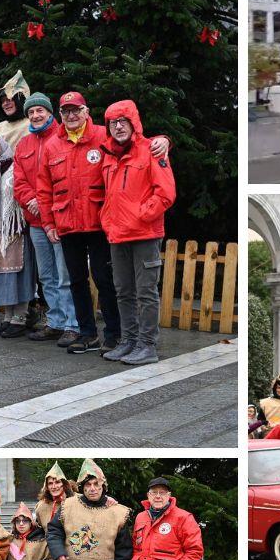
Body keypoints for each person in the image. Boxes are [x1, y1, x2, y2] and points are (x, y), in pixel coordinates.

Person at [35, 93, 170, 354]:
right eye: (66, 111)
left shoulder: (103, 137)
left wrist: (164, 140)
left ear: (86, 112)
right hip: (68, 223)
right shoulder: (52, 145)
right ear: (60, 115)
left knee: (105, 279)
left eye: (76, 110)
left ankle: (115, 334)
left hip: (100, 224)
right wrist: (48, 223)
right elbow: (44, 188)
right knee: (76, 280)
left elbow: (136, 145)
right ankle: (87, 333)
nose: (71, 116)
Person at [98, 100, 175, 366]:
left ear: (134, 123)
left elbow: (166, 193)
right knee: (123, 291)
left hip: (144, 234)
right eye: (113, 123)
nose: (118, 127)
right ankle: (128, 341)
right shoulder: (108, 154)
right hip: (117, 234)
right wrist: (108, 219)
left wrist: (141, 215)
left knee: (146, 293)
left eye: (123, 121)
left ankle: (147, 345)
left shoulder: (151, 150)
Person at [14, 92, 79, 346]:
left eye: (40, 110)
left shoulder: (62, 138)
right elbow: (19, 181)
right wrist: (32, 200)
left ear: (51, 113)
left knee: (65, 275)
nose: (35, 115)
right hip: (36, 221)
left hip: (59, 219)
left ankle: (72, 324)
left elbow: (69, 178)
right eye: (30, 112)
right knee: (47, 276)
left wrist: (44, 203)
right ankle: (55, 321)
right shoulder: (24, 144)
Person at [0, 132, 36, 338]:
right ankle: (7, 317)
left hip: (13, 227)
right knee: (0, 272)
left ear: (2, 145)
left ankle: (20, 317)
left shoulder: (14, 165)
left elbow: (18, 189)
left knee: (17, 272)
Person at [0, 70, 31, 149]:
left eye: (9, 99)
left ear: (18, 101)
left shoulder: (31, 123)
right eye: (3, 101)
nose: (5, 103)